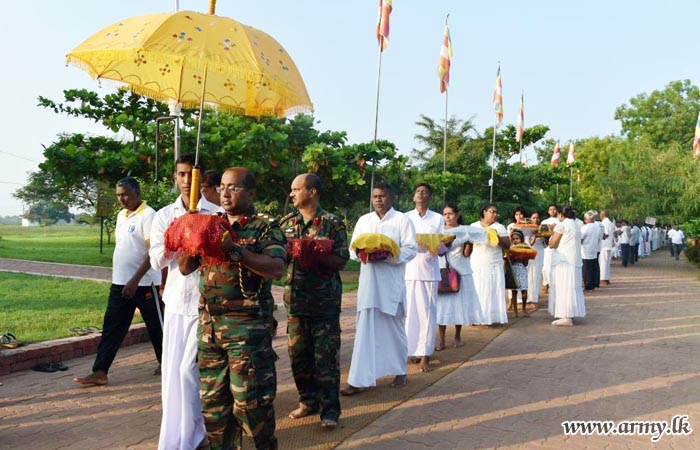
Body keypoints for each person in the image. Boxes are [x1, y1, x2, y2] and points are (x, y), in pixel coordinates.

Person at [178, 167, 286, 450]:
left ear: (250, 193)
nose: (225, 192)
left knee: (251, 402)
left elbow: (276, 268)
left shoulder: (264, 227)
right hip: (210, 330)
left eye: (234, 187)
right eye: (223, 186)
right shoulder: (210, 223)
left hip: (246, 330)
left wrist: (235, 249)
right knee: (214, 405)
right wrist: (191, 235)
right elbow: (186, 268)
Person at [149, 153, 218, 450]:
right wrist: (178, 237)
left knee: (188, 372)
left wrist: (199, 232)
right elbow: (155, 261)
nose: (186, 180)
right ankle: (178, 435)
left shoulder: (215, 213)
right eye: (181, 174)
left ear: (201, 179)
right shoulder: (164, 215)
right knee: (172, 376)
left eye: (192, 174)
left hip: (206, 304)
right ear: (175, 178)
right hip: (176, 304)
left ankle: (197, 433)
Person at [74, 177, 163, 386]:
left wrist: (134, 280)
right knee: (112, 328)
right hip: (120, 284)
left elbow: (152, 253)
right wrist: (124, 281)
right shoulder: (121, 215)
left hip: (145, 284)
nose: (121, 199)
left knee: (158, 328)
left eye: (125, 194)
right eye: (118, 195)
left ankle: (167, 365)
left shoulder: (149, 215)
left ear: (137, 193)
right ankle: (100, 372)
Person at [280, 173, 349, 429]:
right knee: (298, 356)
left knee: (326, 359)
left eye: (296, 189)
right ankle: (308, 400)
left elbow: (342, 259)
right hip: (295, 302)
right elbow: (276, 256)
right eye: (291, 189)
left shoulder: (332, 223)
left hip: (324, 304)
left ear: (312, 192)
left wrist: (315, 253)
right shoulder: (285, 222)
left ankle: (330, 410)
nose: (292, 194)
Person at [341, 182, 417, 395]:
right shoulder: (364, 220)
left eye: (382, 196)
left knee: (394, 330)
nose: (378, 200)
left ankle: (400, 369)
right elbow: (352, 249)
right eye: (375, 196)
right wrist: (365, 255)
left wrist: (389, 255)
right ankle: (359, 380)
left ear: (391, 198)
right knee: (365, 331)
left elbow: (411, 249)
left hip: (391, 284)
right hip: (368, 284)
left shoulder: (403, 220)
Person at [404, 183, 445, 373]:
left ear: (430, 198)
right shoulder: (405, 217)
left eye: (425, 192)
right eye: (418, 191)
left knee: (427, 315)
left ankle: (425, 356)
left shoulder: (437, 218)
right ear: (413, 197)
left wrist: (435, 245)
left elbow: (443, 244)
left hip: (429, 271)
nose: (421, 194)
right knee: (409, 313)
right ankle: (410, 350)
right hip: (408, 271)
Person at [435, 202, 485, 351]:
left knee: (460, 305)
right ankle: (441, 339)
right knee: (442, 307)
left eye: (450, 213)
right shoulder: (438, 231)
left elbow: (466, 254)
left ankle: (457, 336)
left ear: (457, 215)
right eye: (445, 214)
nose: (448, 217)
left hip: (460, 270)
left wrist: (469, 243)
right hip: (442, 270)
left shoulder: (464, 231)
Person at [470, 203, 510, 325]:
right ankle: (475, 318)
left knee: (492, 290)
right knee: (477, 289)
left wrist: (495, 236)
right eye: (491, 211)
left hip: (493, 263)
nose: (494, 214)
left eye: (496, 212)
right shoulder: (474, 226)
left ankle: (490, 318)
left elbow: (507, 245)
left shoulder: (499, 227)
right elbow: (469, 243)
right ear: (484, 212)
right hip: (477, 263)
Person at [548, 206, 586, 326]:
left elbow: (552, 244)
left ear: (560, 214)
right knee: (572, 287)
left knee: (563, 286)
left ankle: (565, 315)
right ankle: (570, 313)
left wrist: (552, 233)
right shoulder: (576, 225)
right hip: (574, 260)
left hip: (564, 261)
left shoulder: (562, 225)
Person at [507, 229, 531, 317]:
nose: (515, 240)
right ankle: (515, 311)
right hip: (514, 270)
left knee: (524, 290)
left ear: (522, 239)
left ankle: (524, 309)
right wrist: (513, 256)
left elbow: (526, 263)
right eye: (513, 239)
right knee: (514, 291)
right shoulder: (511, 248)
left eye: (517, 238)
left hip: (522, 269)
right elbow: (510, 262)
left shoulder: (525, 248)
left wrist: (523, 256)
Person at [527, 210, 545, 307]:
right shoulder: (527, 229)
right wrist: (535, 234)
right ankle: (527, 298)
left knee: (537, 275)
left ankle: (534, 298)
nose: (536, 219)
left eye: (537, 217)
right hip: (530, 252)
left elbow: (545, 244)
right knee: (530, 275)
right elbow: (530, 242)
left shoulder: (542, 228)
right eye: (533, 217)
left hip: (540, 252)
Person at [540, 204, 560, 293]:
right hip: (547, 247)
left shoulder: (560, 221)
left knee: (555, 266)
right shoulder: (544, 221)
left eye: (554, 209)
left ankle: (554, 285)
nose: (552, 211)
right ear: (548, 211)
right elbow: (541, 234)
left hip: (558, 247)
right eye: (550, 209)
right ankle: (546, 283)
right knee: (546, 267)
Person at [581, 211, 601, 291]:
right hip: (594, 248)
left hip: (586, 250)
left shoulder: (585, 227)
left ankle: (588, 285)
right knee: (593, 268)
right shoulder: (597, 226)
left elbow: (580, 237)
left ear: (587, 219)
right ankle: (593, 285)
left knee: (586, 269)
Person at [598, 210, 616, 285]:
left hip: (604, 245)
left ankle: (603, 279)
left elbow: (606, 234)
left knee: (603, 263)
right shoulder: (611, 223)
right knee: (607, 263)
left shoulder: (604, 223)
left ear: (602, 215)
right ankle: (607, 278)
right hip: (608, 245)